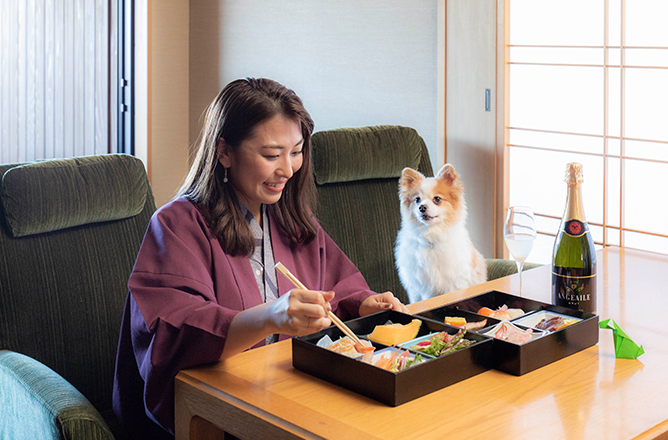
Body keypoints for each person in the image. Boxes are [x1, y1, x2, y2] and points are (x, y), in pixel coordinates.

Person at [112, 77, 409, 439]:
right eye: (271, 155)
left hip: (293, 395)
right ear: (224, 151)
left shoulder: (290, 217)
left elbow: (337, 283)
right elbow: (173, 333)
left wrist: (362, 304)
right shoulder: (176, 225)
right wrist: (269, 316)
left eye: (296, 151)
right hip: (223, 410)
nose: (287, 169)